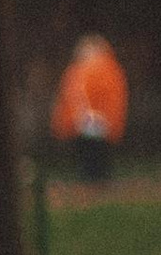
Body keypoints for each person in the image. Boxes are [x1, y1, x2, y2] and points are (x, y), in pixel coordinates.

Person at [51, 33, 127, 187]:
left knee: (95, 150)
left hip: (98, 121)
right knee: (89, 151)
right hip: (86, 121)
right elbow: (72, 97)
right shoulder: (80, 71)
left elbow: (110, 98)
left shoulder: (105, 70)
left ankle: (96, 180)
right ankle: (93, 179)